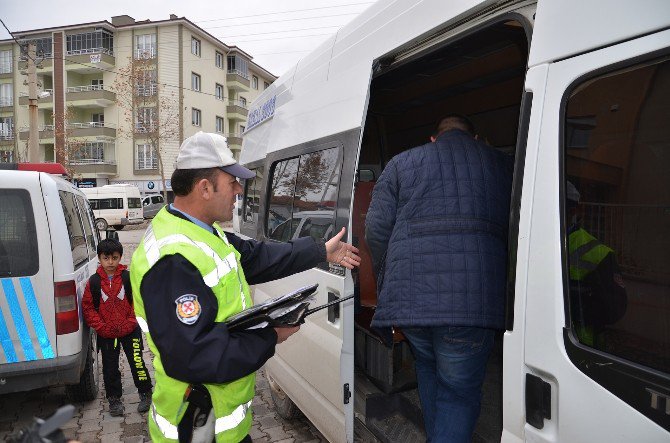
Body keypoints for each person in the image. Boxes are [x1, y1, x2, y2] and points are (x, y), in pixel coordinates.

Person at [129, 131, 360, 443]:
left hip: (221, 426)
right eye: (232, 182)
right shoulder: (172, 260)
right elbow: (195, 356)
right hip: (196, 430)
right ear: (205, 188)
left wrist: (320, 251)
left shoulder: (203, 232)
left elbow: (256, 257)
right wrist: (270, 336)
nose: (239, 189)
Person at [365, 115, 513, 442]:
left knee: (429, 372)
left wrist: (388, 280)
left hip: (412, 303)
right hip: (472, 303)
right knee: (458, 392)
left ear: (433, 139)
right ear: (475, 139)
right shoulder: (502, 165)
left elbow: (375, 230)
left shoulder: (401, 163)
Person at [81, 238, 153, 417]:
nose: (110, 262)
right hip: (107, 335)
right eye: (106, 258)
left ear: (120, 257)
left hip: (130, 331)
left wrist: (131, 322)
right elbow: (88, 308)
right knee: (110, 367)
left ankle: (145, 393)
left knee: (137, 362)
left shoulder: (128, 278)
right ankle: (114, 399)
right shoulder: (94, 282)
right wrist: (101, 327)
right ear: (99, 258)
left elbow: (138, 301)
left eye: (114, 258)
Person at [566, 181, 627, 348]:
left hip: (581, 349)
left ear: (574, 211)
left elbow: (615, 308)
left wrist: (575, 303)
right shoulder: (531, 242)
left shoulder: (600, 254)